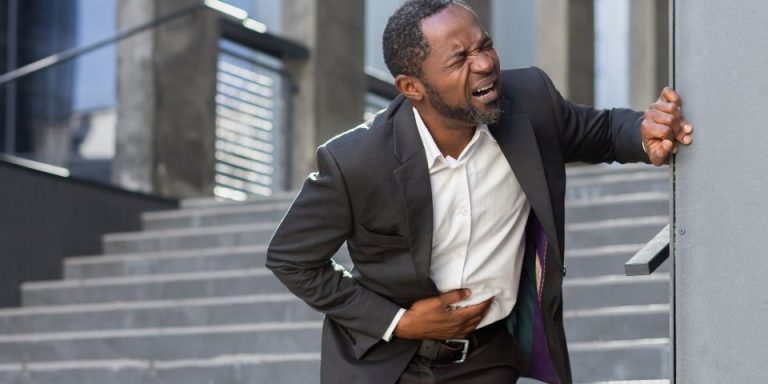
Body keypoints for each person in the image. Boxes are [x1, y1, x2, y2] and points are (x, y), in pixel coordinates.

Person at [266, 1, 693, 383]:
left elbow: (602, 132)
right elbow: (291, 258)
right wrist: (400, 321)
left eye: (485, 45)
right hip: (383, 364)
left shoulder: (530, 102)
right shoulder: (356, 160)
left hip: (487, 357)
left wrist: (645, 132)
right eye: (460, 59)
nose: (486, 63)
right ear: (412, 87)